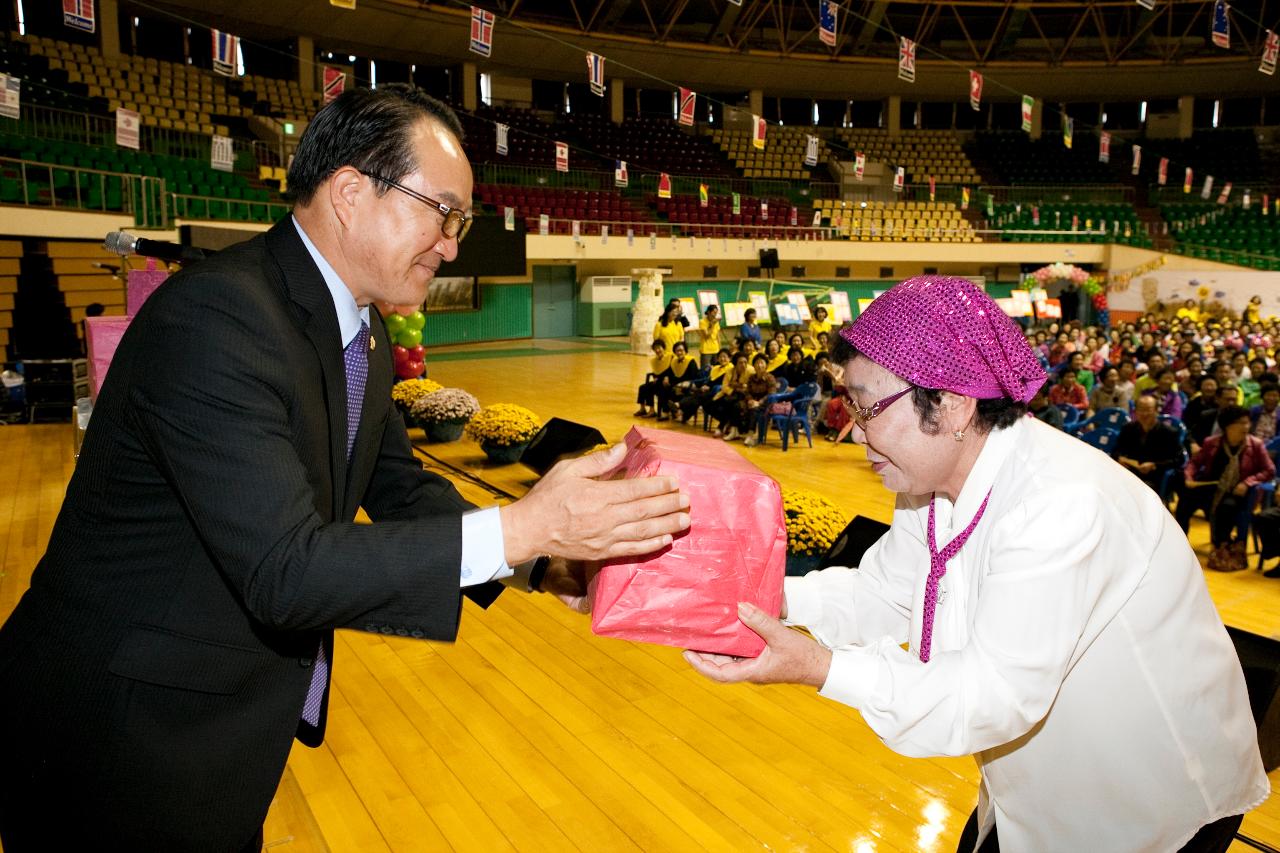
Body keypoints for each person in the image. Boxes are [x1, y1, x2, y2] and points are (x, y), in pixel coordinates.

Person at [0, 85, 691, 852]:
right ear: (352, 193)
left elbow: (398, 487)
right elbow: (283, 568)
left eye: (460, 221)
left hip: (211, 729)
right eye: (444, 212)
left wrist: (538, 560)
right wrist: (526, 522)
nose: (453, 243)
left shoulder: (357, 330)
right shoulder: (219, 320)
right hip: (119, 734)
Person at [684, 275, 1268, 852]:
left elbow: (992, 696)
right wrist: (767, 598)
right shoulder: (932, 479)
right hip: (1034, 776)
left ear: (954, 402)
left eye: (865, 409)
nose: (855, 433)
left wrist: (817, 666)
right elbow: (887, 596)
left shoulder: (1060, 503)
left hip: (1143, 794)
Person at [1177, 405, 1276, 571]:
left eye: (1247, 423)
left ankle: (1222, 545)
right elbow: (1194, 463)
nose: (1246, 427)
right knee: (1185, 502)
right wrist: (1189, 477)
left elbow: (1269, 470)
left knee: (1227, 507)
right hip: (1211, 487)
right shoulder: (1212, 442)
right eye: (1241, 423)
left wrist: (1248, 482)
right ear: (1228, 426)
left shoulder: (1255, 445)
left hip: (1237, 491)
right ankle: (1179, 543)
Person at [1114, 396, 1185, 494]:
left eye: (1148, 410)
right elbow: (1116, 451)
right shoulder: (1128, 428)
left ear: (1156, 411)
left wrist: (1154, 465)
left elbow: (1179, 460)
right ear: (1136, 411)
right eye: (1141, 410)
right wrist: (1120, 458)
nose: (1144, 414)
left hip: (1154, 477)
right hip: (1129, 472)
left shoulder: (1169, 433)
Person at [698, 303, 722, 369]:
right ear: (708, 312)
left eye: (716, 313)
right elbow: (706, 336)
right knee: (705, 370)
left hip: (716, 349)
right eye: (714, 313)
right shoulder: (702, 322)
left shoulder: (716, 322)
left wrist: (720, 348)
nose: (715, 315)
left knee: (717, 369)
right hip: (706, 350)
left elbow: (718, 336)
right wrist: (712, 325)